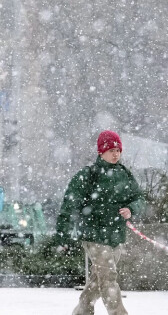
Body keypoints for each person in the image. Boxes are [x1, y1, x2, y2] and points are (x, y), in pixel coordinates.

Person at [56, 130, 145, 315]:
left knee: (99, 278)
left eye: (118, 150)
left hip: (116, 235)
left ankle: (82, 310)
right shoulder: (88, 174)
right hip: (94, 235)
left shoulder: (125, 174)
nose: (116, 154)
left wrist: (131, 209)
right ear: (101, 152)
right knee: (109, 278)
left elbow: (139, 199)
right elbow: (69, 205)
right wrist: (63, 234)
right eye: (111, 150)